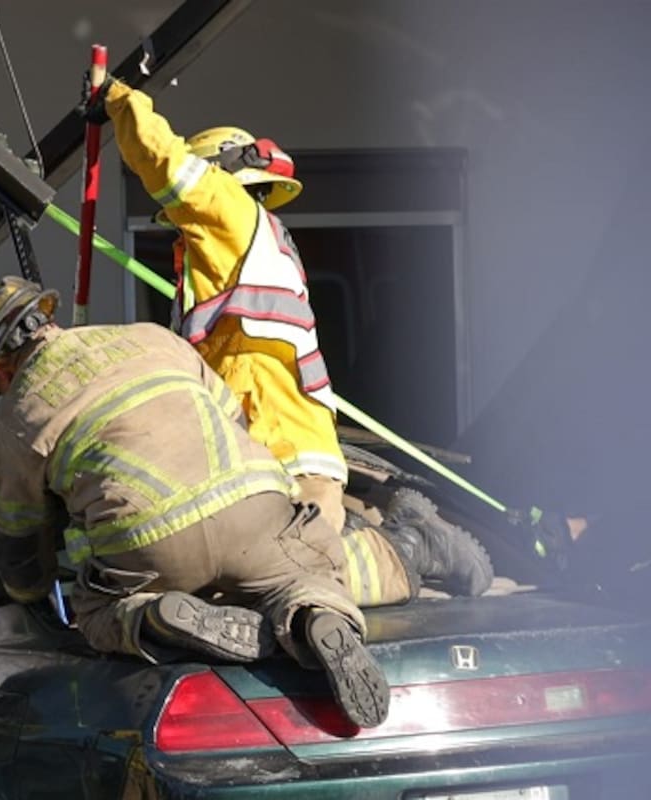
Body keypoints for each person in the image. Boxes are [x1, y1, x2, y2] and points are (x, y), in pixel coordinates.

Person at [0, 278, 495, 728]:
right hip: (255, 505)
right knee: (311, 567)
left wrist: (27, 583)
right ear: (48, 318)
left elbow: (18, 544)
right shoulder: (150, 339)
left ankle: (156, 618)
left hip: (152, 551)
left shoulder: (16, 418)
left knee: (98, 611)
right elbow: (231, 416)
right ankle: (319, 611)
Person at [78, 77, 494, 604]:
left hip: (277, 435)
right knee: (271, 576)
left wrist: (118, 101)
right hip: (275, 433)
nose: (180, 228)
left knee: (298, 574)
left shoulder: (228, 213)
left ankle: (415, 544)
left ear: (221, 178)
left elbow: (165, 163)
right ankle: (402, 537)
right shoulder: (247, 247)